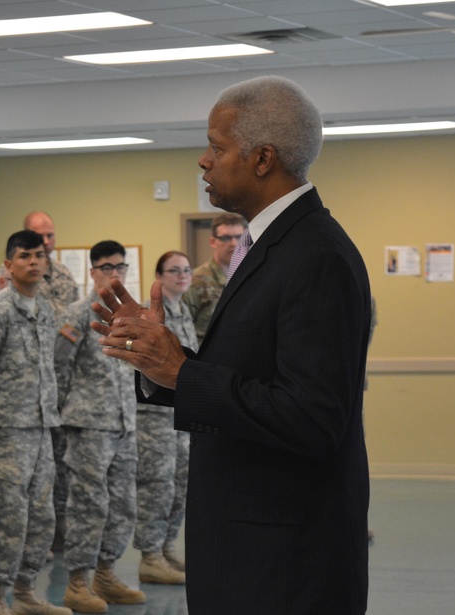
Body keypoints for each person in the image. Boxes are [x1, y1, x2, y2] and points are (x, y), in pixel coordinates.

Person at [91, 76, 372, 613]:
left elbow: (314, 418)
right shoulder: (274, 246)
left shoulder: (315, 255)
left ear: (263, 158)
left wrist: (183, 372)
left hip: (284, 562)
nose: (203, 161)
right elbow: (253, 381)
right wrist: (161, 361)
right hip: (251, 546)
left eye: (217, 148)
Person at [0, 230, 70, 615]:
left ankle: (27, 592)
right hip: (5, 433)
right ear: (8, 265)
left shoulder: (45, 309)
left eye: (39, 256)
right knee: (6, 518)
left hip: (41, 430)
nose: (34, 262)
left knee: (42, 516)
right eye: (25, 256)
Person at [54, 240, 144, 613]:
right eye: (107, 266)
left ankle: (105, 573)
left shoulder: (131, 317)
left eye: (121, 267)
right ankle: (77, 581)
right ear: (92, 272)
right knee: (89, 505)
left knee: (123, 504)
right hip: (89, 425)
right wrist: (65, 415)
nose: (115, 273)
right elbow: (58, 369)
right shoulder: (77, 314)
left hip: (123, 422)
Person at [133, 251, 195, 586]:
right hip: (155, 415)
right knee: (156, 482)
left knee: (179, 481)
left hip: (181, 411)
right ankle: (150, 556)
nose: (182, 275)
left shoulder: (183, 311)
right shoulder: (151, 312)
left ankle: (168, 547)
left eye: (186, 270)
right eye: (174, 271)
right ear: (160, 276)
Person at [0, 212, 78, 317]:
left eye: (50, 235)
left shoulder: (63, 272)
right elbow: (2, 311)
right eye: (40, 236)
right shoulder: (9, 272)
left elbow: (75, 311)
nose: (46, 241)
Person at [182, 212, 247, 344]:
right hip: (203, 360)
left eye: (239, 237)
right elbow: (180, 330)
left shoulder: (250, 277)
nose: (234, 243)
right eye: (225, 238)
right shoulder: (195, 281)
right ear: (213, 242)